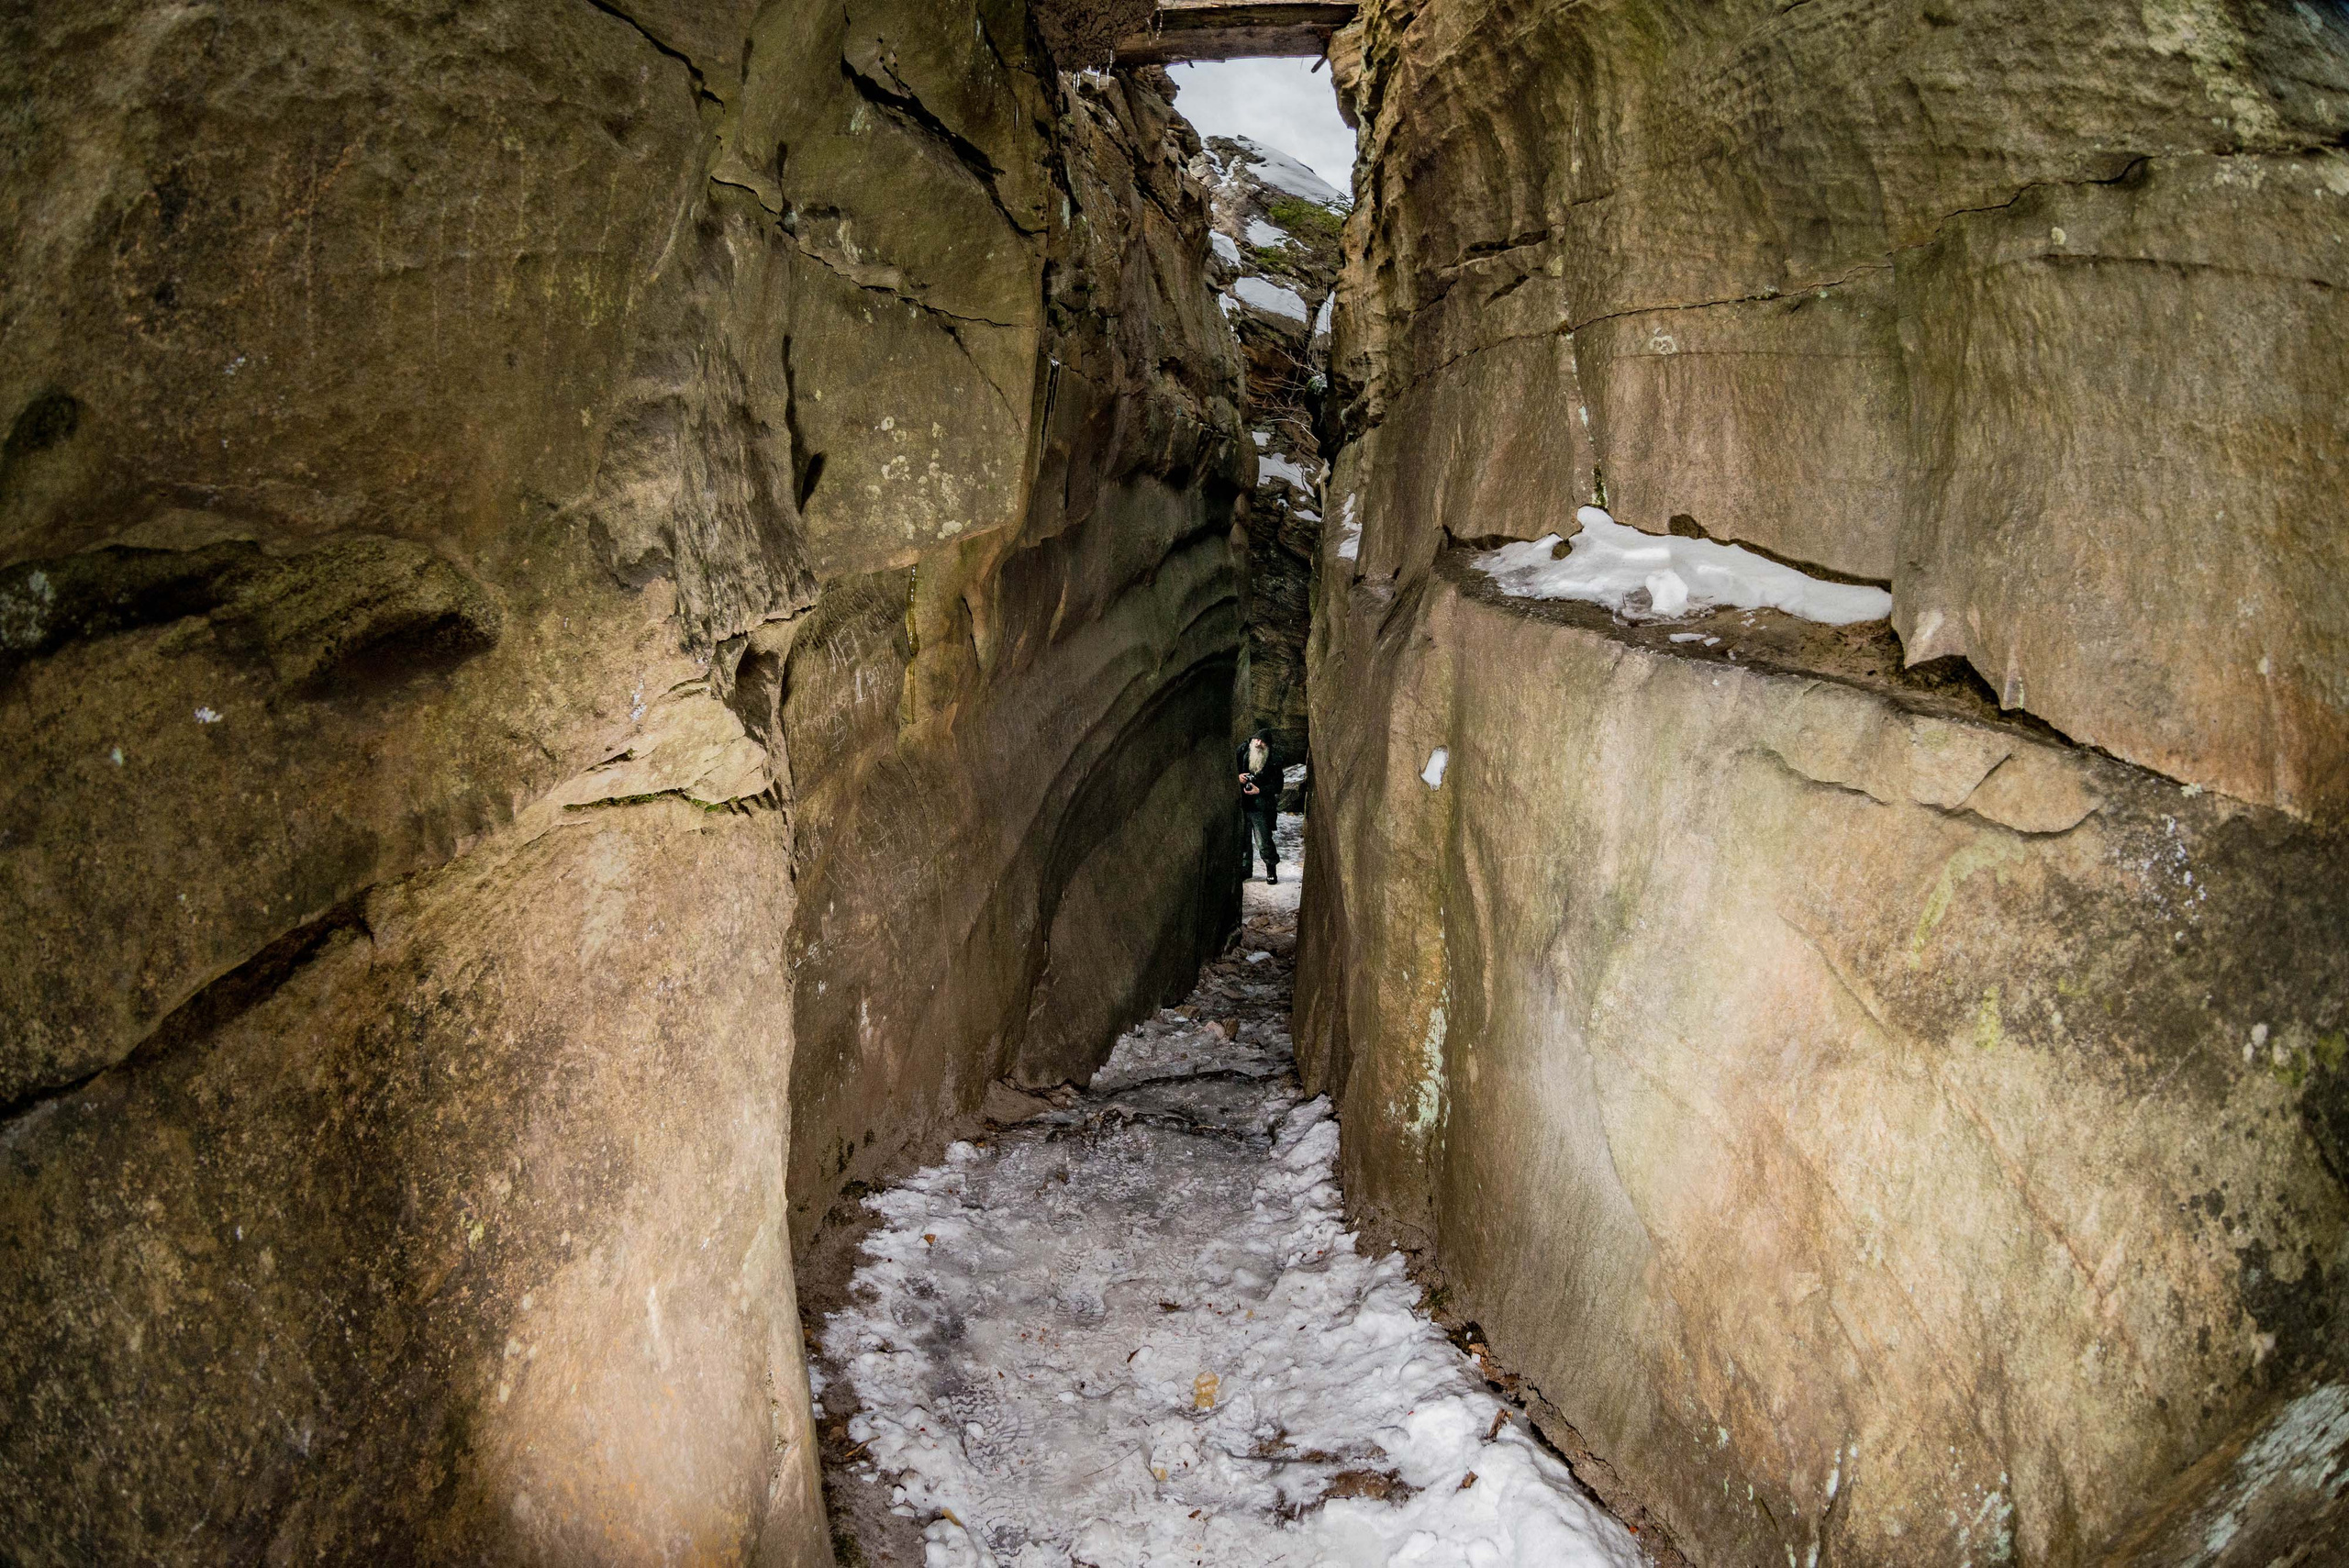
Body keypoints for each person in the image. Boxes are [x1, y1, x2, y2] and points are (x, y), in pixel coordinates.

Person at [1235, 732, 1280, 885]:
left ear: (1267, 745)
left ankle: (1271, 869)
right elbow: (1228, 769)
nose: (1258, 743)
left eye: (1262, 741)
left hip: (1261, 807)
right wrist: (1238, 777)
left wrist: (1259, 790)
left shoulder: (1273, 760)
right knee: (1243, 841)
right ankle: (1245, 870)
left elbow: (1278, 786)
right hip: (1242, 804)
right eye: (1257, 739)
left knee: (1263, 841)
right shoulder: (1242, 751)